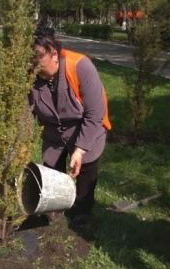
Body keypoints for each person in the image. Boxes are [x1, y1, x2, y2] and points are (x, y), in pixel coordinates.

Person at [28, 27, 111, 226]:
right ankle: (54, 212)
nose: (35, 67)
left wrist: (79, 150)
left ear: (54, 54)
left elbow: (94, 115)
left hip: (87, 127)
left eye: (39, 60)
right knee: (52, 174)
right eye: (31, 61)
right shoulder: (31, 74)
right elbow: (25, 110)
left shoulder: (80, 67)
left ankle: (82, 211)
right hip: (53, 132)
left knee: (85, 172)